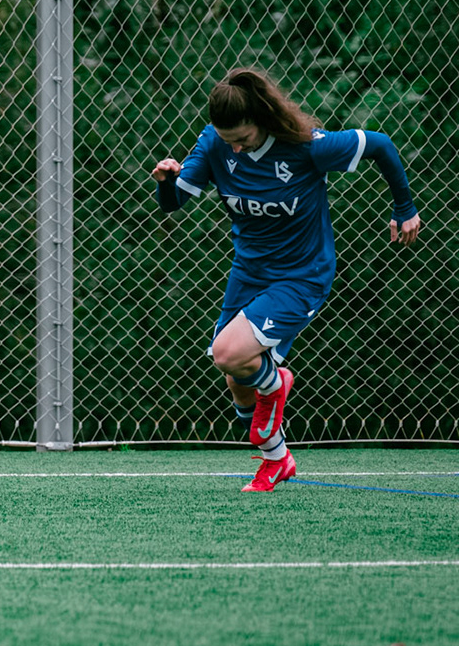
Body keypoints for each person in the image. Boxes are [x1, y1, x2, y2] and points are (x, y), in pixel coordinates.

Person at [151, 67, 420, 492]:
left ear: (261, 119)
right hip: (249, 274)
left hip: (302, 276)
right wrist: (167, 182)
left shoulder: (305, 148)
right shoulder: (215, 143)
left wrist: (404, 208)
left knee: (227, 353)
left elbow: (380, 145)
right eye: (228, 140)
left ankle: (277, 384)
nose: (236, 146)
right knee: (238, 384)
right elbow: (175, 202)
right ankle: (277, 460)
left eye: (242, 137)